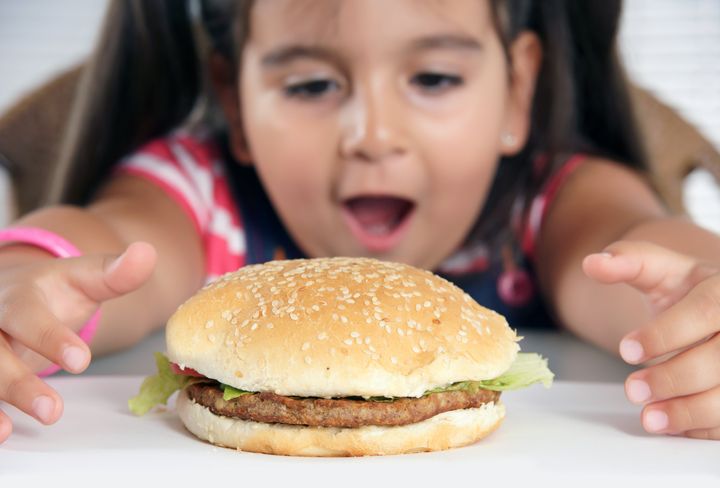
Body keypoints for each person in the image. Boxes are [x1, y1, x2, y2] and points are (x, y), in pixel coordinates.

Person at [0, 0, 718, 443]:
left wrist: (698, 295)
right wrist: (26, 279)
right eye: (311, 84)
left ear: (516, 91)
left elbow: (634, 254)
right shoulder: (199, 190)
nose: (371, 134)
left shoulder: (552, 197)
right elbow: (112, 249)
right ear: (236, 98)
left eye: (433, 78)